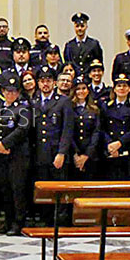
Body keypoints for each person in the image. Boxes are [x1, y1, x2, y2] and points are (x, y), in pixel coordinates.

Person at [31, 66, 74, 224]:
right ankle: (45, 221)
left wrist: (62, 152)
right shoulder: (33, 101)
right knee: (44, 190)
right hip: (40, 154)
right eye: (42, 81)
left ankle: (58, 223)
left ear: (54, 83)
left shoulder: (63, 101)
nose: (45, 84)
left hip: (57, 154)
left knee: (58, 190)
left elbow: (67, 129)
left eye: (48, 80)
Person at [0, 75, 31, 235]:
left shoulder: (23, 108)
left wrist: (5, 144)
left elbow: (22, 130)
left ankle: (18, 222)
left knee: (18, 190)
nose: (10, 94)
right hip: (1, 155)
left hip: (18, 155)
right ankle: (8, 221)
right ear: (2, 91)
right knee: (5, 189)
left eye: (14, 91)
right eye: (7, 91)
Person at [100, 73, 130, 180]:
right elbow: (102, 128)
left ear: (129, 89)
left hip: (128, 151)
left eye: (124, 86)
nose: (122, 88)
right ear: (114, 89)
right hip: (110, 151)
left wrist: (120, 143)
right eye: (119, 86)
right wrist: (110, 144)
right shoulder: (106, 106)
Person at [70, 76, 102, 179]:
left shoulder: (94, 109)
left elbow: (96, 132)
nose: (81, 91)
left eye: (84, 88)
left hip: (91, 155)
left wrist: (87, 155)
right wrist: (76, 154)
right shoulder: (69, 108)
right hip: (73, 155)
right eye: (78, 89)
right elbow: (68, 132)